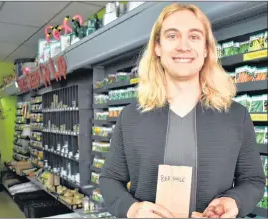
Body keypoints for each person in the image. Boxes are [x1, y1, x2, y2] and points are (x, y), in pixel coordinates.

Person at [99, 3, 265, 218]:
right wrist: (133, 209)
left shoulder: (236, 116)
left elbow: (253, 180)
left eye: (194, 37)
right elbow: (110, 178)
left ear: (206, 49)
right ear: (157, 47)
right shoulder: (131, 117)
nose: (183, 46)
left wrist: (234, 201)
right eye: (172, 36)